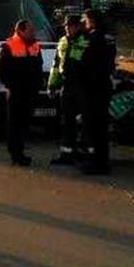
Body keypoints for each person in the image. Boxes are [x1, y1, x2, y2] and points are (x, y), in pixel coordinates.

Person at [0, 19, 44, 166]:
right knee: (15, 124)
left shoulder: (35, 46)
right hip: (16, 91)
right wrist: (11, 85)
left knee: (24, 123)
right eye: (30, 31)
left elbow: (38, 67)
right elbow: (0, 70)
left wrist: (38, 85)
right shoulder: (9, 46)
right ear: (21, 31)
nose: (33, 33)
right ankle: (15, 154)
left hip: (30, 91)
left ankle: (20, 151)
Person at [79, 8, 117, 175]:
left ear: (92, 20)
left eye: (86, 20)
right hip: (104, 85)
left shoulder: (92, 38)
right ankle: (103, 160)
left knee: (92, 126)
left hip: (93, 87)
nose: (84, 22)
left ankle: (94, 161)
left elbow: (85, 61)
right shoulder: (108, 38)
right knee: (101, 127)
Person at [48, 14, 88, 166]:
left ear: (78, 26)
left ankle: (82, 153)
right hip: (67, 85)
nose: (67, 28)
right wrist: (52, 85)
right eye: (66, 26)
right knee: (67, 121)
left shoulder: (86, 41)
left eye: (70, 26)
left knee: (83, 121)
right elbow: (56, 65)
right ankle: (66, 154)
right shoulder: (63, 41)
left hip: (82, 85)